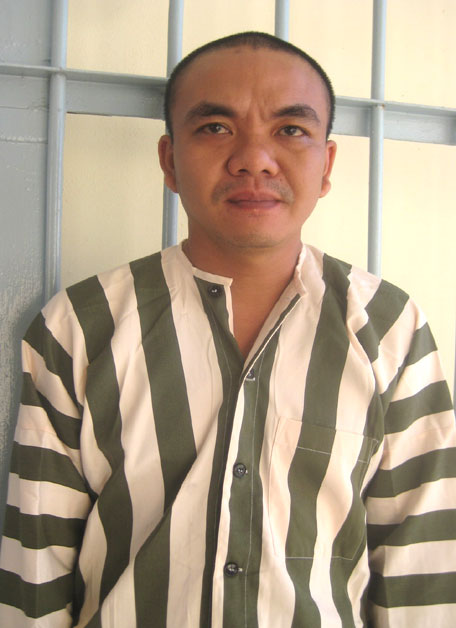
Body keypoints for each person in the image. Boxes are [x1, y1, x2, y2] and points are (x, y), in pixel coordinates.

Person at [0, 31, 455, 627]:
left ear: (326, 165)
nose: (254, 159)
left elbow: (422, 568)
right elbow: (34, 564)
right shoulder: (81, 326)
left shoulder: (390, 328)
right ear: (169, 161)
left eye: (290, 129)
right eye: (216, 127)